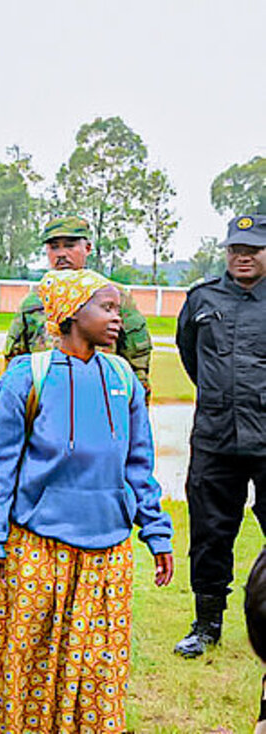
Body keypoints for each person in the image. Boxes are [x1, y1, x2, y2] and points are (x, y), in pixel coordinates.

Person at [0, 268, 174, 732]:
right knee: (30, 661)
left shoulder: (124, 377)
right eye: (106, 308)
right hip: (38, 548)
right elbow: (1, 473)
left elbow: (138, 462)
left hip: (108, 551)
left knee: (97, 668)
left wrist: (156, 531)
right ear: (71, 313)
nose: (118, 318)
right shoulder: (26, 377)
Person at [173, 214, 266, 658]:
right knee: (210, 534)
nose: (242, 256)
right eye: (235, 248)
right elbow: (190, 356)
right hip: (215, 438)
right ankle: (206, 624)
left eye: (253, 249)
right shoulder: (201, 298)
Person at [3, 215, 153, 399]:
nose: (61, 254)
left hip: (100, 398)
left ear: (87, 248)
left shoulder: (115, 296)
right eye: (54, 247)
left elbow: (136, 359)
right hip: (47, 402)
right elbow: (14, 358)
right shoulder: (35, 300)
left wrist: (135, 411)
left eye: (69, 245)